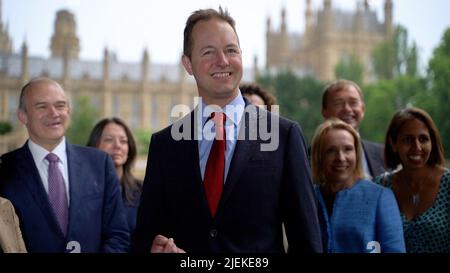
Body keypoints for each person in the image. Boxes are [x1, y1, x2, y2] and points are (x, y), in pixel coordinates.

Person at [131, 7, 323, 253]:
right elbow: (145, 237)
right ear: (188, 64)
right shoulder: (165, 144)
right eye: (209, 52)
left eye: (231, 50)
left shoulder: (284, 136)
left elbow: (307, 241)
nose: (222, 60)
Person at [0, 77, 130, 253]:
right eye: (42, 106)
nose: (54, 113)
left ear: (68, 110)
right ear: (22, 115)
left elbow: (118, 234)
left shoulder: (100, 164)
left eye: (60, 105)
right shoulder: (5, 169)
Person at [311, 118, 405, 253]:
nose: (341, 158)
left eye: (348, 149)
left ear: (357, 153)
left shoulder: (379, 197)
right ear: (319, 156)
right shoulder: (309, 199)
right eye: (331, 151)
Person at [374, 107, 449, 253]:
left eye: (423, 139)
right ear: (393, 143)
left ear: (432, 142)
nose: (417, 147)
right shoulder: (379, 187)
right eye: (408, 140)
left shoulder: (448, 184)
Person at [87, 117, 142, 232]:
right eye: (109, 140)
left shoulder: (143, 191)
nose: (118, 146)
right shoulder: (81, 190)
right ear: (94, 145)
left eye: (123, 141)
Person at [321, 79, 385, 178]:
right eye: (338, 103)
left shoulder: (383, 154)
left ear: (363, 109)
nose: (347, 109)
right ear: (324, 111)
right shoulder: (307, 159)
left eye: (353, 103)